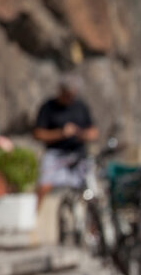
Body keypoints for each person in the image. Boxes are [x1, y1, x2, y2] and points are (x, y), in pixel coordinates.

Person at [32, 75, 98, 206]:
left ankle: (94, 223)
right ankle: (33, 220)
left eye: (72, 94)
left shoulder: (81, 106)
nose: (70, 98)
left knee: (92, 191)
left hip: (79, 153)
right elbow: (38, 134)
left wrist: (81, 134)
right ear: (61, 91)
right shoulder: (48, 107)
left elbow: (94, 132)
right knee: (43, 186)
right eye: (67, 94)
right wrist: (61, 133)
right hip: (56, 154)